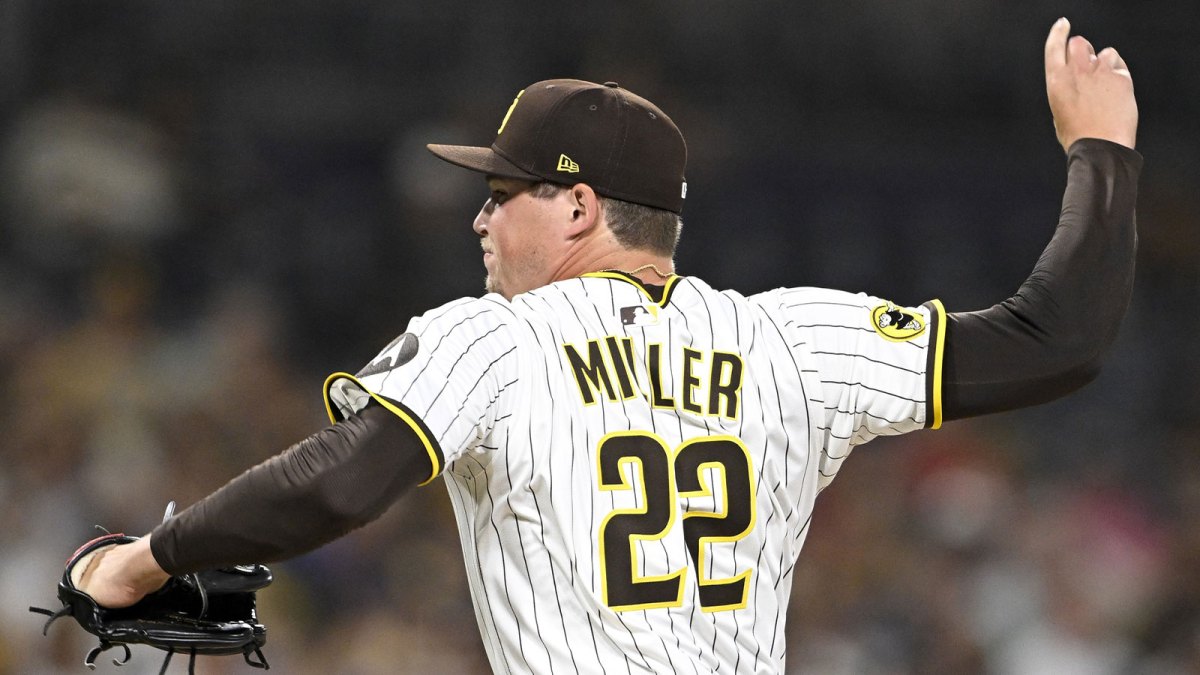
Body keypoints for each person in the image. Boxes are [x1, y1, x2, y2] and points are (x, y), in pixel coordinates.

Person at [74, 18, 1139, 674]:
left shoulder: (496, 341)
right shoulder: (792, 343)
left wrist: (141, 561)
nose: (480, 221)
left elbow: (338, 485)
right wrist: (1101, 150)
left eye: (502, 194)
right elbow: (1060, 338)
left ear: (579, 207)